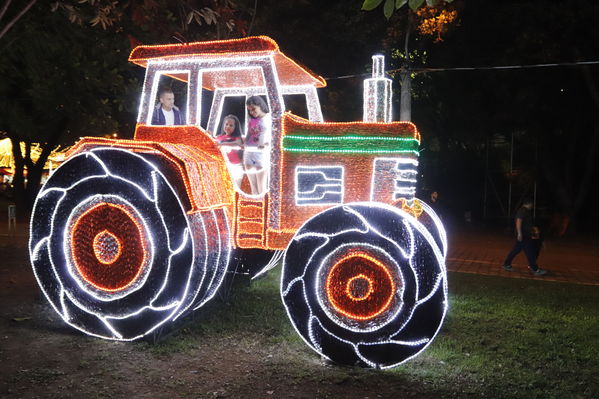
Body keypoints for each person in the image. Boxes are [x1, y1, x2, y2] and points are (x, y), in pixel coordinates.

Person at [502, 198, 548, 275]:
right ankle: (535, 269)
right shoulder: (523, 211)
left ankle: (506, 264)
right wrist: (519, 233)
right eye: (532, 204)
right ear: (529, 204)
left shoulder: (525, 211)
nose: (532, 206)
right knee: (530, 252)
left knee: (515, 250)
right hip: (524, 236)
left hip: (524, 235)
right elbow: (518, 221)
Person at [243, 96, 271, 195]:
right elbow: (249, 134)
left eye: (253, 109)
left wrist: (267, 144)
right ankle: (256, 207)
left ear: (260, 105)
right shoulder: (252, 120)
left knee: (261, 187)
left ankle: (264, 207)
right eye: (249, 110)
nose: (252, 112)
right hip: (249, 152)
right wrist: (244, 143)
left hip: (262, 154)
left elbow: (273, 135)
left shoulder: (269, 118)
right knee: (253, 187)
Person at [215, 114, 244, 188]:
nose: (228, 127)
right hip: (221, 167)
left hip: (235, 167)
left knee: (235, 189)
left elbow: (238, 144)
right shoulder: (218, 137)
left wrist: (223, 144)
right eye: (226, 124)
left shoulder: (237, 138)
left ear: (235, 127)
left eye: (231, 125)